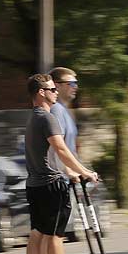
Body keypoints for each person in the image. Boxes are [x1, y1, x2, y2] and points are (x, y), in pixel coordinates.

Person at [24, 73, 98, 254]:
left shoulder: (33, 118)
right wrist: (84, 171)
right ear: (41, 92)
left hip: (34, 185)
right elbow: (62, 149)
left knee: (37, 234)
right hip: (51, 184)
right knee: (55, 236)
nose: (56, 92)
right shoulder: (47, 118)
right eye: (52, 89)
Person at [48, 67, 80, 243]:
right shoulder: (57, 111)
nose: (75, 87)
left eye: (76, 83)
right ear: (57, 86)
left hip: (64, 179)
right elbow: (57, 146)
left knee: (50, 234)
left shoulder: (63, 111)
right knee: (53, 234)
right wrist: (70, 170)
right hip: (57, 180)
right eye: (71, 83)